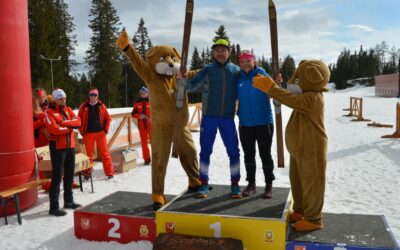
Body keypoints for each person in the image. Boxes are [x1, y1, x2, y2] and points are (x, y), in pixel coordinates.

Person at [185, 39, 241, 198]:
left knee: (234, 152)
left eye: (223, 50)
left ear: (228, 52)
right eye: (217, 50)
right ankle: (203, 183)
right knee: (205, 152)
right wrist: (182, 79)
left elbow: (250, 81)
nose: (220, 53)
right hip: (209, 117)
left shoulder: (235, 70)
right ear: (213, 53)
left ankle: (235, 184)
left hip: (227, 119)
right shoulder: (208, 69)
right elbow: (191, 85)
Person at [236, 50, 275, 198]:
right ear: (239, 64)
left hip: (264, 122)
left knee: (265, 154)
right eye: (242, 62)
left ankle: (269, 185)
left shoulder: (262, 75)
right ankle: (251, 184)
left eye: (248, 61)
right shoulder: (238, 79)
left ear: (254, 61)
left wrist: (275, 82)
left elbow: (274, 92)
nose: (246, 64)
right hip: (245, 123)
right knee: (249, 155)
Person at [45, 89, 81, 216]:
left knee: (70, 175)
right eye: (61, 99)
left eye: (65, 98)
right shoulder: (49, 112)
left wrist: (65, 124)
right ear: (55, 99)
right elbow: (54, 129)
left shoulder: (68, 109)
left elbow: (78, 122)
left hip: (70, 145)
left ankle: (68, 201)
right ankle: (53, 207)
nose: (63, 101)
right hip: (57, 147)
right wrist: (70, 127)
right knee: (57, 176)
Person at [78, 88, 114, 179]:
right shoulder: (83, 106)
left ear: (97, 96)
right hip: (88, 134)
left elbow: (108, 119)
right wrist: (82, 132)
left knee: (105, 153)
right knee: (88, 154)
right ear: (89, 96)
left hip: (100, 133)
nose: (93, 97)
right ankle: (87, 173)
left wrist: (105, 130)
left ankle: (110, 173)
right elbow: (78, 120)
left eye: (95, 95)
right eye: (91, 95)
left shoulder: (101, 106)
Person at [131, 86, 151, 165]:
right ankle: (147, 159)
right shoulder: (137, 103)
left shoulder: (151, 101)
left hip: (152, 126)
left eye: (144, 93)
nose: (143, 94)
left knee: (154, 143)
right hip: (142, 127)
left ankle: (157, 159)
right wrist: (139, 116)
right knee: (144, 143)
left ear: (147, 93)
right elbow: (133, 114)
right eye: (141, 93)